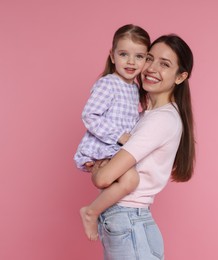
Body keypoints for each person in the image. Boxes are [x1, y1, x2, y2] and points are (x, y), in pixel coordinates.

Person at [88, 34, 195, 259]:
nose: (151, 68)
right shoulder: (146, 116)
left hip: (128, 218)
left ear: (180, 77)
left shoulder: (161, 120)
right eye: (149, 58)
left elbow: (103, 178)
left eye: (164, 64)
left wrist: (99, 168)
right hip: (131, 220)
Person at [74, 24, 151, 241]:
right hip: (106, 145)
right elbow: (90, 115)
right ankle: (90, 211)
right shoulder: (108, 83)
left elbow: (129, 118)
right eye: (124, 54)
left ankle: (101, 214)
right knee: (130, 181)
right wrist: (120, 136)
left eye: (139, 56)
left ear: (146, 60)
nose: (131, 62)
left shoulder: (134, 88)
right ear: (112, 55)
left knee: (128, 183)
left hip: (119, 149)